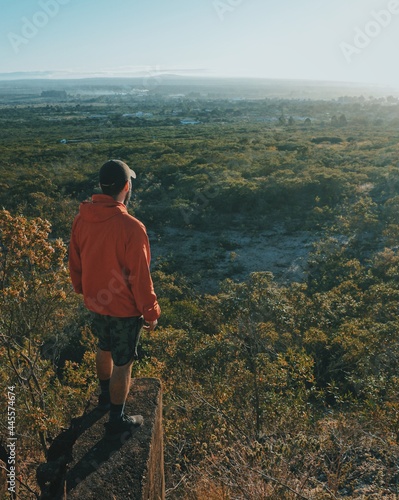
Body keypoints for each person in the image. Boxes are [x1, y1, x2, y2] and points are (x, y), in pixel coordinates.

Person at [68, 159, 161, 437]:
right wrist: (151, 311)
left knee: (103, 346)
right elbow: (140, 276)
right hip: (124, 307)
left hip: (96, 301)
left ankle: (104, 397)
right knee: (124, 362)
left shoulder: (82, 218)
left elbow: (75, 260)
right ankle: (116, 420)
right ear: (126, 187)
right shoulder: (131, 227)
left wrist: (82, 289)